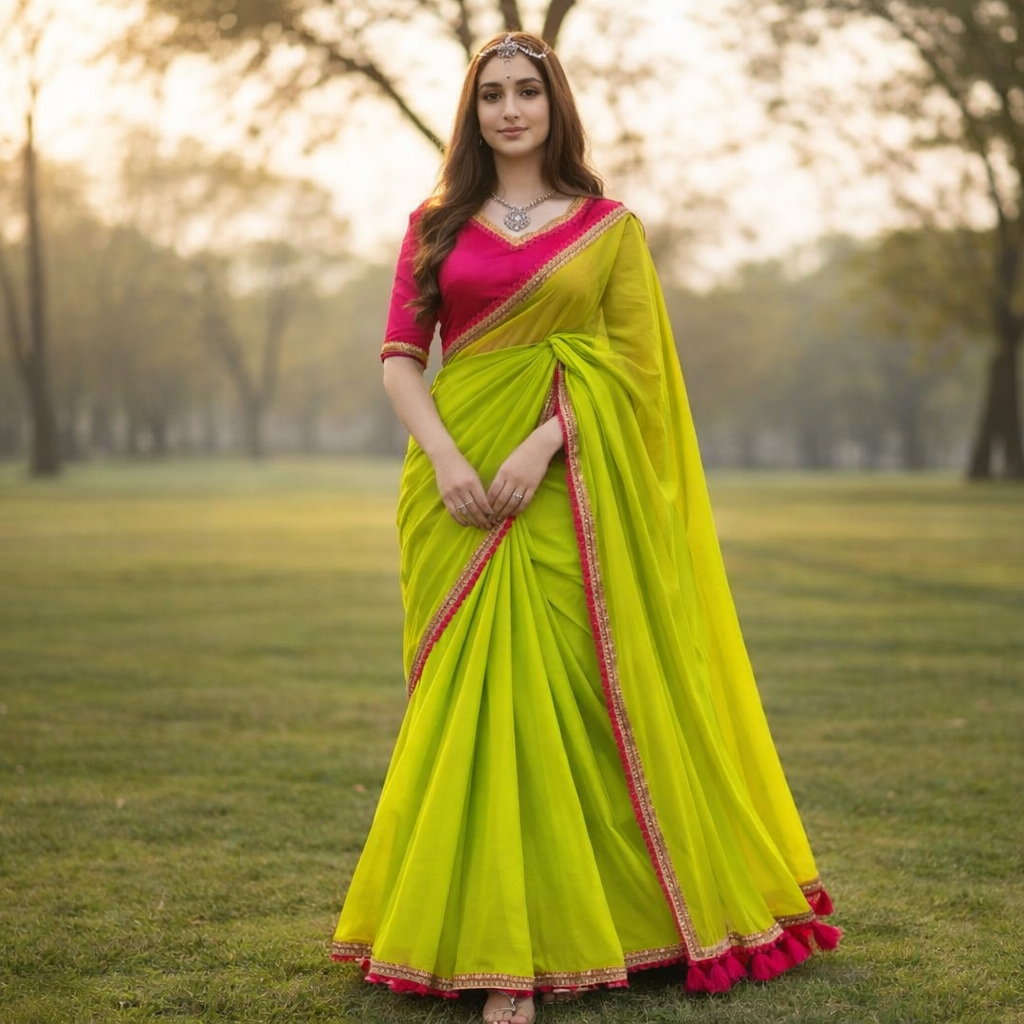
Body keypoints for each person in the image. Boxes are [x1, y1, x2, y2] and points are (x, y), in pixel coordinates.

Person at [331, 30, 841, 1024]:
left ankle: (560, 940)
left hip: (566, 492)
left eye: (528, 91)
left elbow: (634, 377)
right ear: (471, 112)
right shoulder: (435, 222)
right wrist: (447, 456)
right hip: (452, 490)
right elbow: (400, 355)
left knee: (562, 704)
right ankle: (486, 941)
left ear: (555, 104)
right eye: (491, 95)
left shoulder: (609, 229)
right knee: (468, 710)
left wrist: (541, 445)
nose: (510, 109)